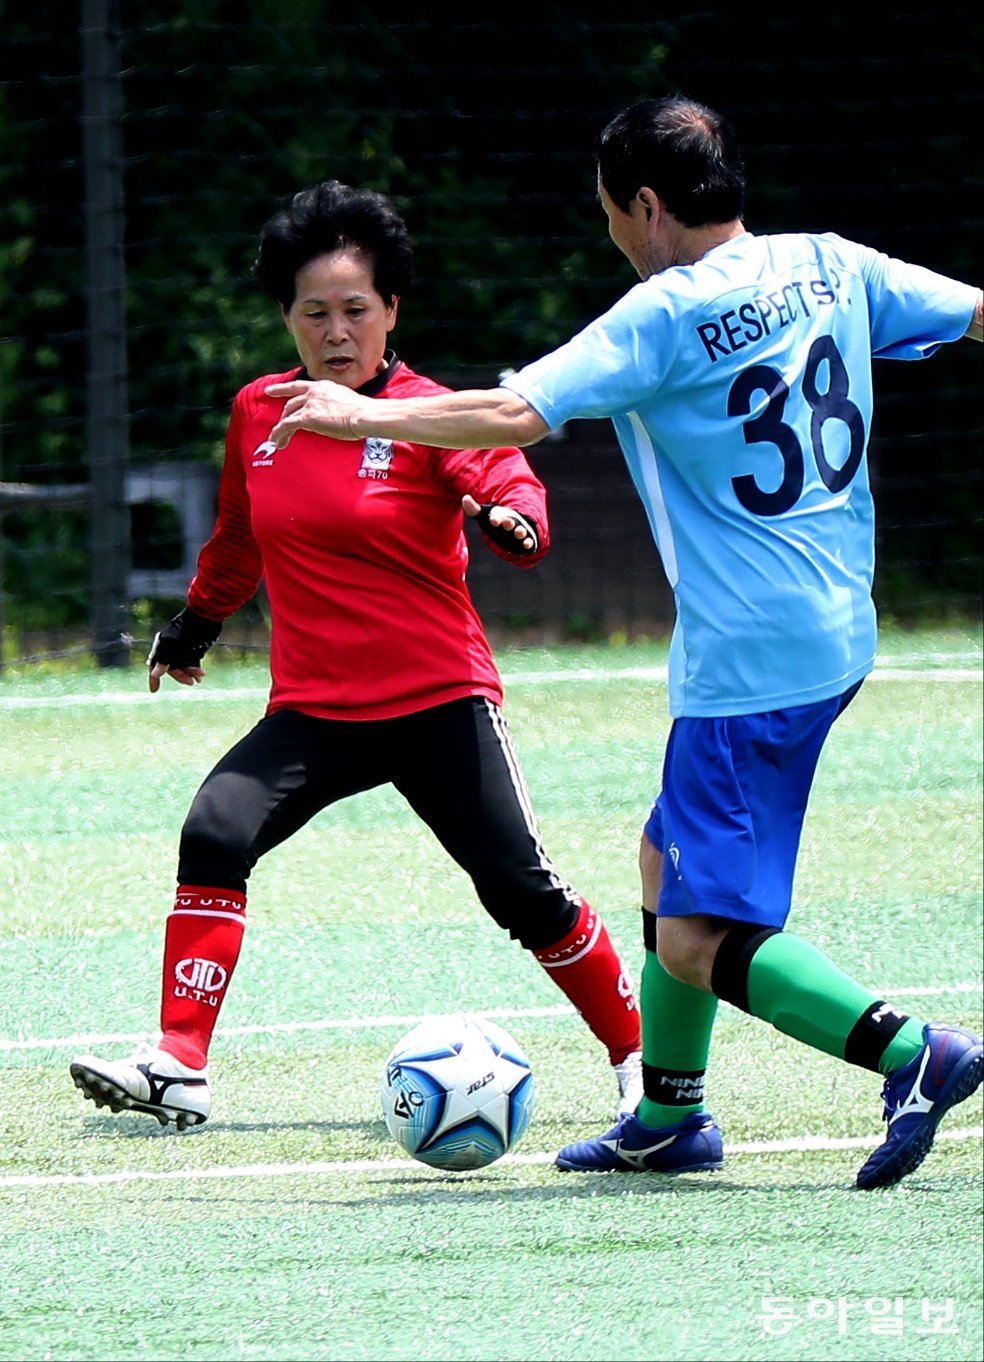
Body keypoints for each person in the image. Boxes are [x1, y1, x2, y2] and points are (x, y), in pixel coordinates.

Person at [258, 98, 983, 1190]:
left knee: (694, 938)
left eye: (609, 214)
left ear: (648, 207)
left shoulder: (663, 314)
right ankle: (668, 1115)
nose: (610, 235)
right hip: (836, 630)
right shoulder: (832, 265)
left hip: (748, 667)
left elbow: (511, 416)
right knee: (663, 860)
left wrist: (357, 417)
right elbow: (975, 312)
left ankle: (910, 1053)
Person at [69, 180, 644, 1131]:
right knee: (215, 831)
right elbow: (239, 536)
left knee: (522, 891)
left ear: (391, 312)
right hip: (316, 712)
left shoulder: (426, 412)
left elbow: (508, 480)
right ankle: (179, 1063)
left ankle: (639, 1056)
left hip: (437, 700)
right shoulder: (260, 411)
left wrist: (513, 522)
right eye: (313, 313)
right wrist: (197, 624)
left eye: (356, 311)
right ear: (286, 318)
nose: (335, 333)